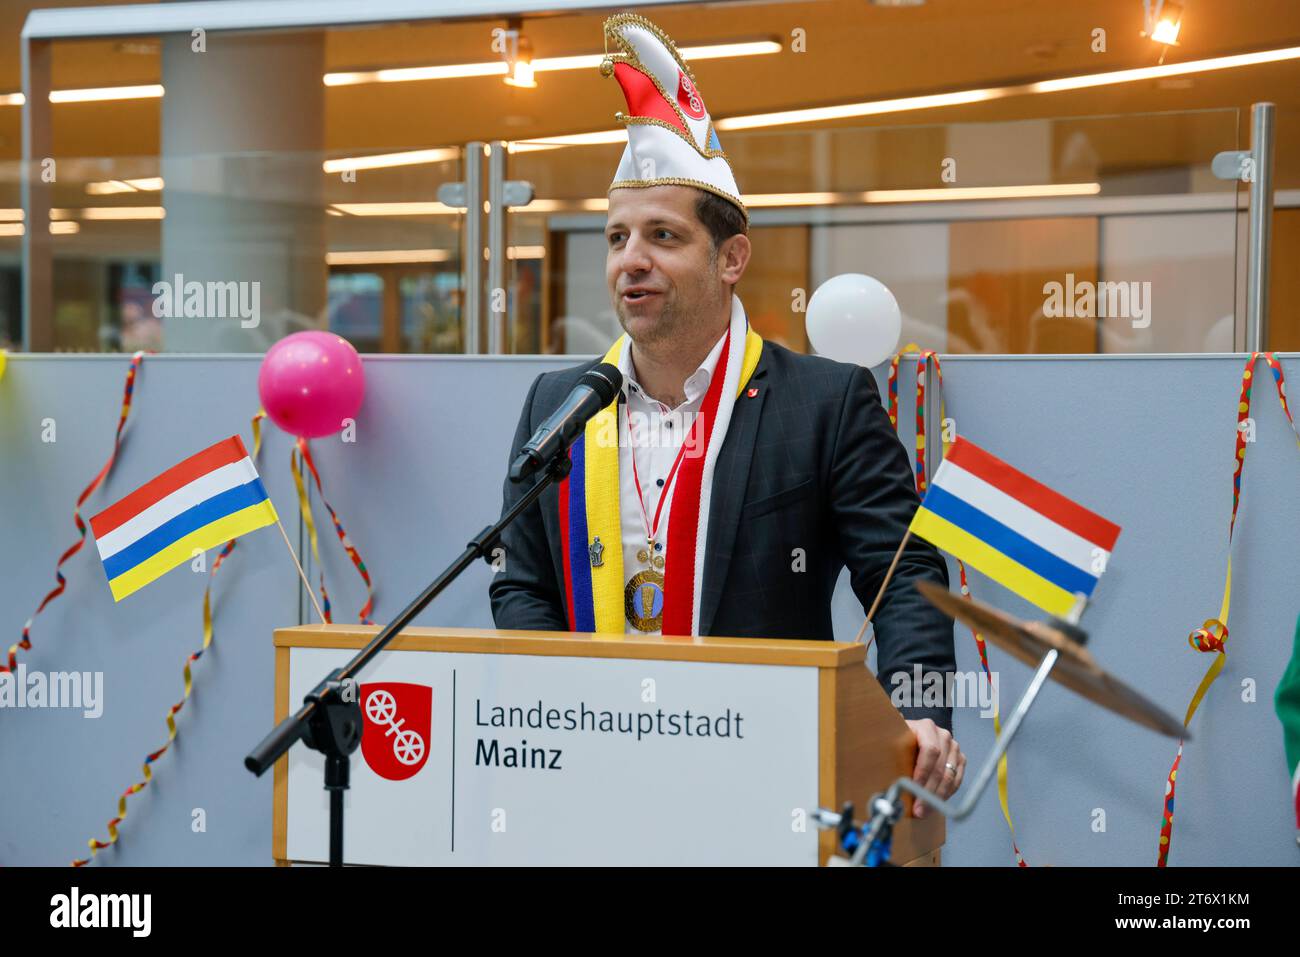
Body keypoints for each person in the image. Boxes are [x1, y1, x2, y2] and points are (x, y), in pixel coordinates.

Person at [490, 12, 964, 815]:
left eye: (663, 236)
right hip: (589, 772)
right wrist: (560, 705)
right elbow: (521, 583)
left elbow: (903, 574)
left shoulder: (825, 401)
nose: (630, 261)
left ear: (731, 258)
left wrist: (917, 707)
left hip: (767, 772)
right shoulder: (560, 403)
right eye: (616, 238)